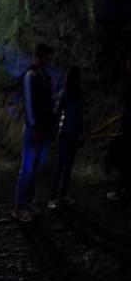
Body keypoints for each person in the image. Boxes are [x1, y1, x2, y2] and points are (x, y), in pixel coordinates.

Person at [14, 44, 55, 222]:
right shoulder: (31, 76)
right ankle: (19, 206)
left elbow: (48, 102)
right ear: (39, 57)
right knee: (27, 168)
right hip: (34, 130)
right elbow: (29, 103)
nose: (49, 61)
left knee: (35, 167)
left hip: (43, 129)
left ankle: (28, 201)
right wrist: (34, 125)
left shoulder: (45, 77)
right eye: (47, 57)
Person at [48, 67, 84, 209]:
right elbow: (57, 114)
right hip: (65, 135)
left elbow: (81, 115)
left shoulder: (78, 94)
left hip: (73, 134)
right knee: (60, 166)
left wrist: (81, 133)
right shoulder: (64, 94)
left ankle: (62, 196)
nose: (78, 81)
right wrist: (55, 131)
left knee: (68, 167)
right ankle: (52, 197)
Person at [107, 55, 131, 202]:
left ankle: (121, 190)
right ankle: (125, 189)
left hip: (128, 126)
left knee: (124, 158)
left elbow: (124, 98)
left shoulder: (128, 82)